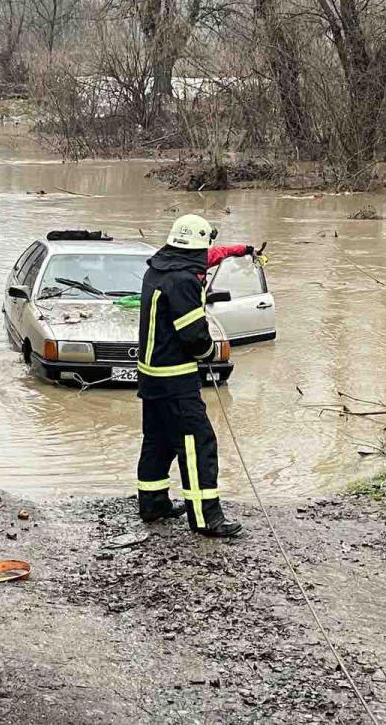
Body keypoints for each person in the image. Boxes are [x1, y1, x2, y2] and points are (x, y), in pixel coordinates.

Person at [135, 214, 242, 538]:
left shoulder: (158, 269)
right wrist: (210, 353)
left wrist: (237, 250)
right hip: (175, 379)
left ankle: (153, 504)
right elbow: (193, 335)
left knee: (159, 441)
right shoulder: (183, 280)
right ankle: (206, 517)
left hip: (151, 378)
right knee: (199, 443)